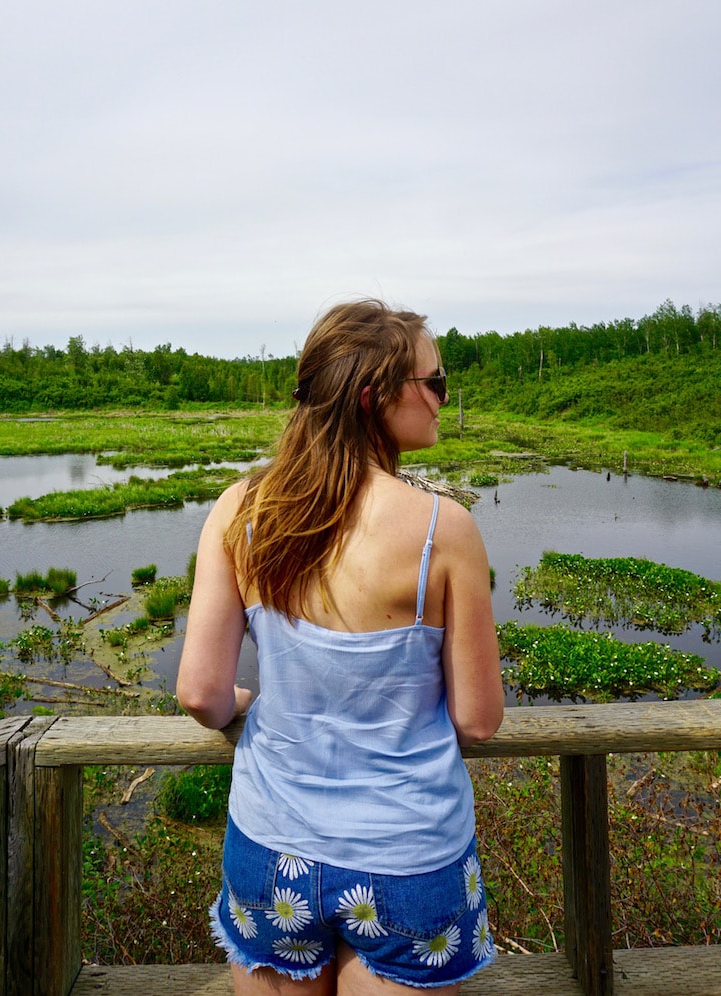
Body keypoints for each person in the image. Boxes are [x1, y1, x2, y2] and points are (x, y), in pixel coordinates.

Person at [177, 299, 504, 994]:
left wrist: (249, 703)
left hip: (274, 850)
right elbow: (477, 720)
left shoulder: (241, 510)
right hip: (409, 856)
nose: (445, 399)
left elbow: (202, 695)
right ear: (374, 395)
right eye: (436, 382)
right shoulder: (444, 530)